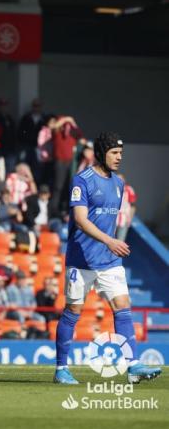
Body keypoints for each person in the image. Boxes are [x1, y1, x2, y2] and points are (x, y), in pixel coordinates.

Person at [54, 132, 161, 385]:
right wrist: (110, 240)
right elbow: (80, 220)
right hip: (81, 260)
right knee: (73, 311)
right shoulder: (82, 180)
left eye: (121, 154)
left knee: (123, 305)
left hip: (108, 261)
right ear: (101, 153)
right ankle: (61, 369)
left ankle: (133, 365)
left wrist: (111, 244)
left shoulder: (119, 183)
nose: (119, 158)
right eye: (114, 153)